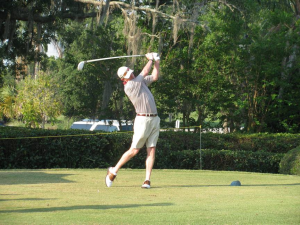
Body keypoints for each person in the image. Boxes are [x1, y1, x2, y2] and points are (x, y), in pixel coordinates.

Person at [105, 52, 160, 189]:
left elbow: (154, 76)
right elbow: (146, 70)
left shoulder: (140, 82)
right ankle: (114, 170)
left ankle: (147, 180)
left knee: (151, 150)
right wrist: (150, 59)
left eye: (131, 72)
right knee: (134, 151)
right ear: (124, 78)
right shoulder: (130, 86)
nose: (132, 74)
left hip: (154, 119)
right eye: (129, 74)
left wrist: (157, 62)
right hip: (142, 120)